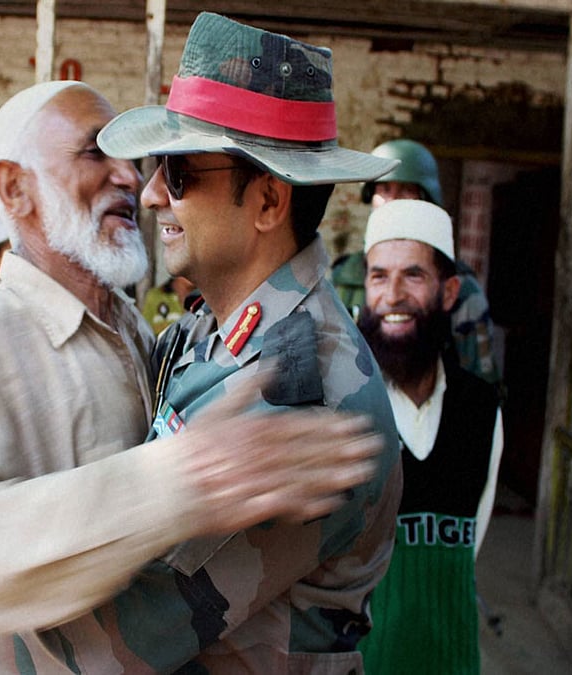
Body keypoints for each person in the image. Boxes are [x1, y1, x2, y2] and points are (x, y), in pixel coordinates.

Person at [0, 78, 386, 672]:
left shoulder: (150, 335)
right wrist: (174, 483)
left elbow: (140, 625)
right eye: (95, 153)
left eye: (174, 171)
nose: (139, 183)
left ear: (268, 203)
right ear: (16, 188)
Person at [93, 11, 403, 672]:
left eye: (178, 172)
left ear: (267, 202)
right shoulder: (215, 329)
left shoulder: (301, 395)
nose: (150, 196)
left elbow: (118, 638)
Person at [354, 199, 504, 674]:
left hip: (452, 661)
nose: (393, 295)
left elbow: (467, 545)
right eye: (379, 276)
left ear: (449, 291)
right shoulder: (341, 406)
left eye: (413, 275)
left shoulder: (480, 408)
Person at [331, 138, 501, 384]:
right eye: (384, 190)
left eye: (406, 190)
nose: (393, 201)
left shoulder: (459, 288)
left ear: (426, 197)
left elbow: (480, 382)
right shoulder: (345, 277)